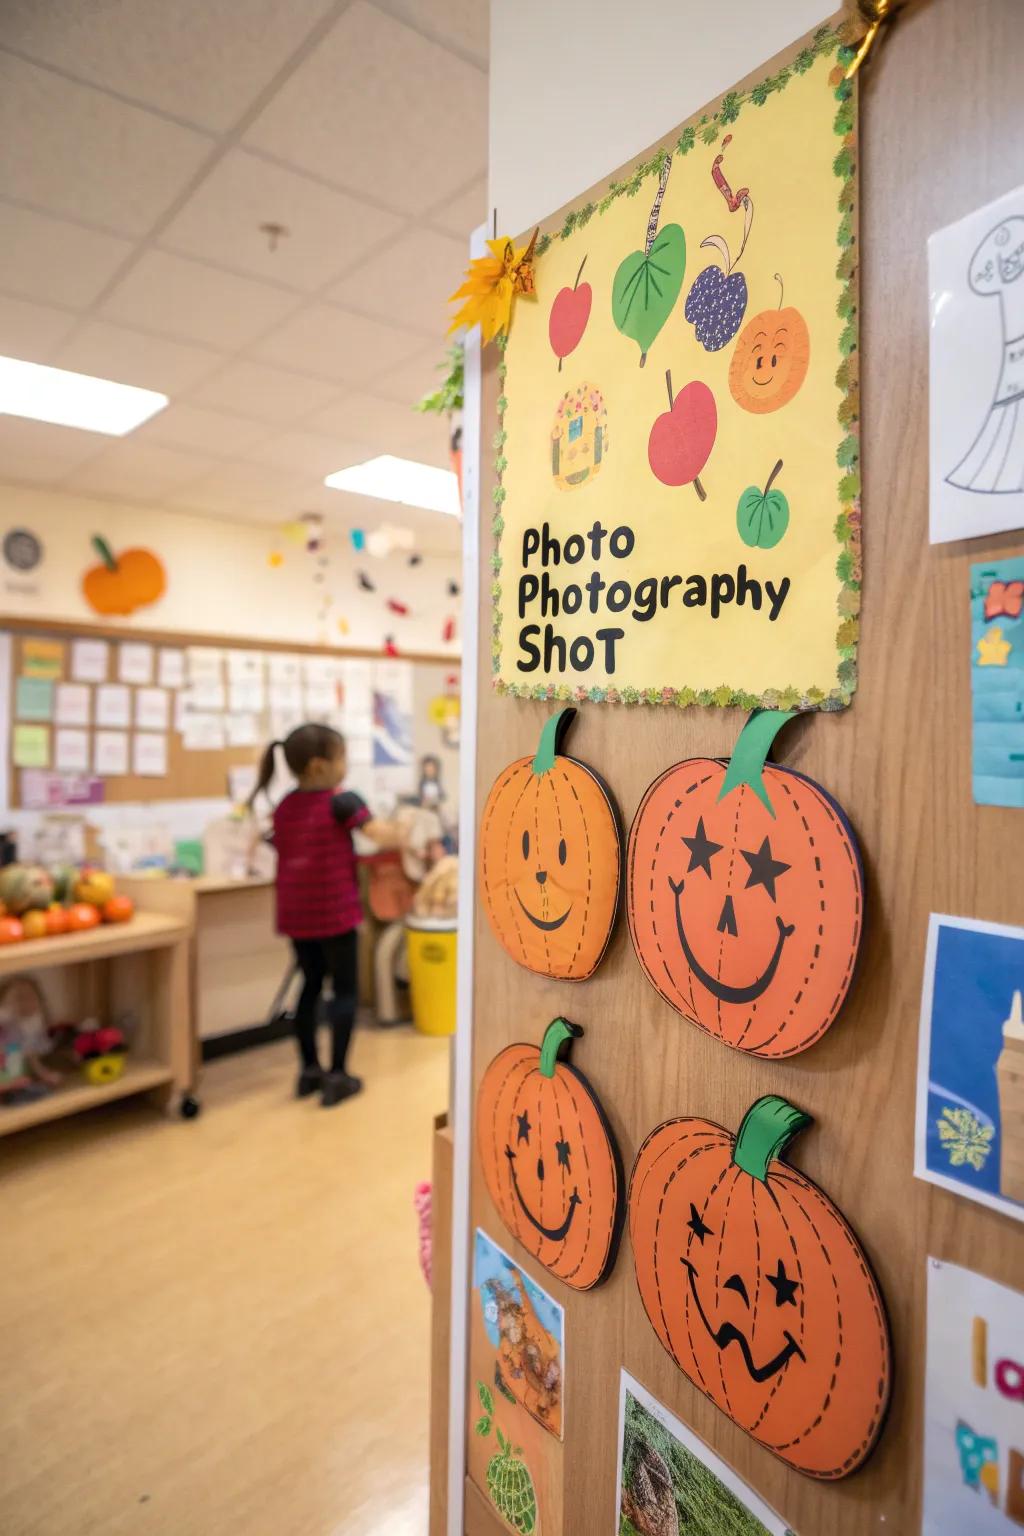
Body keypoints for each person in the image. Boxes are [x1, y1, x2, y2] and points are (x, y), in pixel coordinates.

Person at [250, 723, 400, 1107]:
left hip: (297, 916)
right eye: (342, 756)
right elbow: (380, 835)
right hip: (335, 915)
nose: (345, 765)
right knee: (344, 992)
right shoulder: (342, 801)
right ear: (319, 765)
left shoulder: (285, 806)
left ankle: (309, 1072)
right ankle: (338, 1075)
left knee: (310, 987)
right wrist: (405, 827)